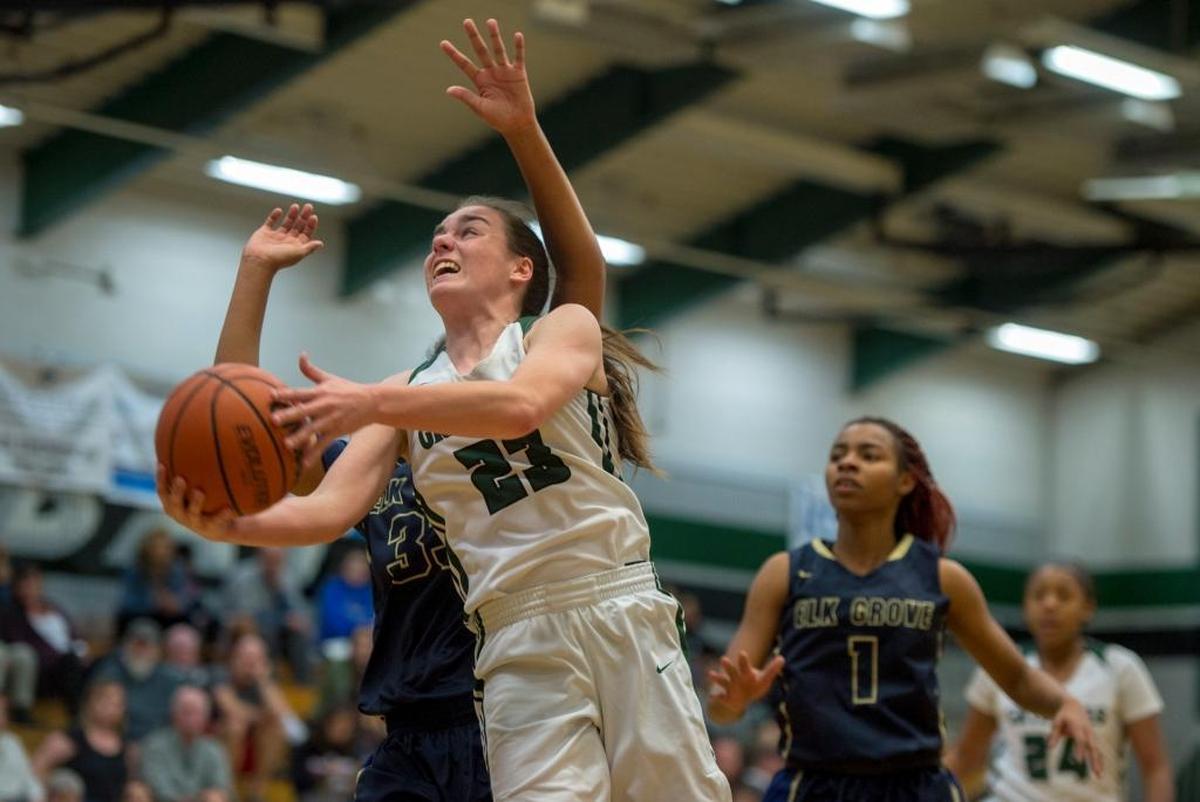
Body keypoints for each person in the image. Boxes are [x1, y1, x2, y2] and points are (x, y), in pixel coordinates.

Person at [162, 18, 727, 802]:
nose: (442, 242)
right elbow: (326, 508)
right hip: (515, 640)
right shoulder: (406, 394)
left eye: (467, 230)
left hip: (618, 604)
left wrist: (524, 129)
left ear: (522, 268)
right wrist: (228, 525)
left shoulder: (559, 330)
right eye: (434, 236)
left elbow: (523, 404)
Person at [706, 417, 1100, 802]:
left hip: (915, 785)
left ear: (905, 480)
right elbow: (721, 708)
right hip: (811, 782)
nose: (847, 462)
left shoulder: (943, 578)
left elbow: (1017, 678)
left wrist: (1066, 702)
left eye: (868, 455)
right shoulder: (784, 572)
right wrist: (733, 701)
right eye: (838, 454)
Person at [945, 562, 1173, 802]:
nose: (1049, 604)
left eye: (1063, 596)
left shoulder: (1120, 667)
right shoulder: (1001, 665)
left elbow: (1155, 768)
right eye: (1038, 595)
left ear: (1088, 608)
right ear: (1025, 606)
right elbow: (966, 757)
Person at [211, 633, 304, 802]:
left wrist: (263, 681)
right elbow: (233, 710)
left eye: (257, 659)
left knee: (276, 729)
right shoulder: (220, 675)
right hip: (221, 738)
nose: (250, 664)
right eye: (246, 657)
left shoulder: (265, 682)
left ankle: (257, 790)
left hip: (256, 739)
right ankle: (228, 787)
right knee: (235, 725)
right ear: (234, 658)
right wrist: (262, 716)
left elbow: (285, 717)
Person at [0, 564, 87, 715]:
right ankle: (77, 715)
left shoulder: (53, 608)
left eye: (35, 584)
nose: (31, 589)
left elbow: (74, 635)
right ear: (17, 587)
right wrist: (62, 656)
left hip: (70, 662)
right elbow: (20, 644)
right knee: (70, 663)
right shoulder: (12, 615)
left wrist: (81, 649)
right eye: (26, 585)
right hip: (44, 671)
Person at [32, 681, 129, 802]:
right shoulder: (67, 739)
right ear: (91, 702)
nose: (113, 707)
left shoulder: (126, 746)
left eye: (119, 703)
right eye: (107, 701)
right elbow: (35, 771)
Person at [90, 620, 180, 743]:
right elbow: (95, 715)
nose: (141, 652)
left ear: (158, 650)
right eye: (137, 645)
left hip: (158, 743)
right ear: (125, 646)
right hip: (117, 740)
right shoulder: (109, 674)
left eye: (147, 646)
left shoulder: (169, 678)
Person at [140, 686, 233, 802]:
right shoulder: (155, 746)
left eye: (196, 713)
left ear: (206, 717)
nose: (191, 719)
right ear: (174, 714)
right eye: (186, 712)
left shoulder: (214, 749)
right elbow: (157, 786)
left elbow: (221, 786)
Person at [0, 693, 44, 802]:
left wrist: (37, 797)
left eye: (4, 713)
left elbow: (29, 777)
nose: (2, 720)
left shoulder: (12, 742)